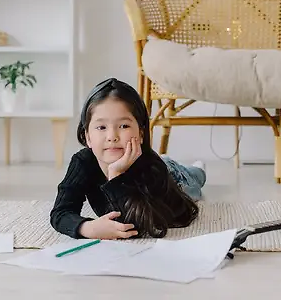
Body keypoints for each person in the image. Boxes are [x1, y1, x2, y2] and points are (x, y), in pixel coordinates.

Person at [50, 77, 206, 241]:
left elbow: (135, 226)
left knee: (195, 178)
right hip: (160, 163)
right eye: (101, 127)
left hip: (174, 177)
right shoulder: (83, 162)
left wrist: (115, 174)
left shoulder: (150, 168)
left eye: (124, 126)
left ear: (140, 133)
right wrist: (88, 228)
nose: (112, 137)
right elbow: (60, 212)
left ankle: (198, 168)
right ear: (87, 136)